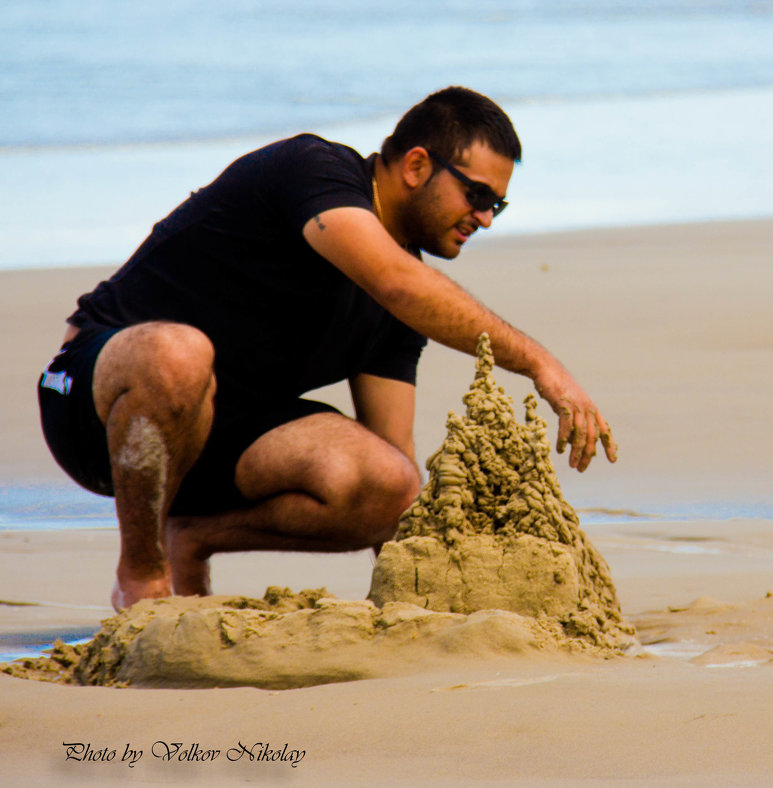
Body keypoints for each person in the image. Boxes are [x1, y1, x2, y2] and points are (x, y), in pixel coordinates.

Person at [37, 86, 617, 611]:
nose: (486, 218)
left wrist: (421, 604)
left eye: (499, 205)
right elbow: (395, 281)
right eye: (477, 194)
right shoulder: (314, 171)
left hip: (222, 441)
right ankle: (141, 581)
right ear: (417, 165)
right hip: (95, 404)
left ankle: (189, 537)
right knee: (179, 354)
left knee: (391, 482)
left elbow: (396, 463)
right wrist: (541, 364)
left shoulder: (399, 301)